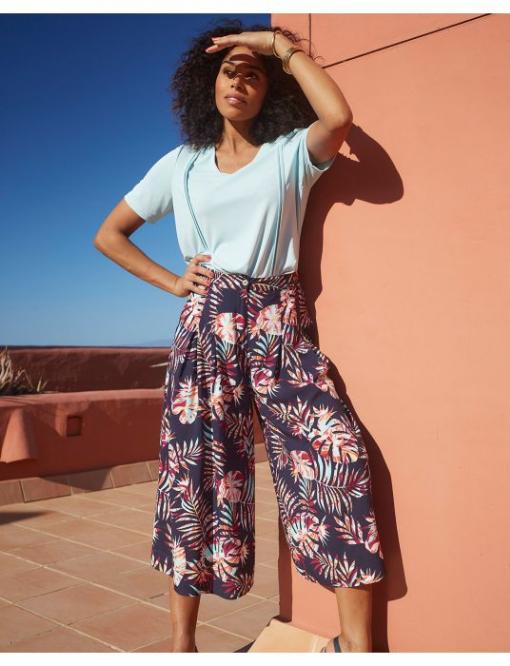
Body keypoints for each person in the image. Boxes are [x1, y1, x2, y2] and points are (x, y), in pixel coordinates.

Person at [93, 19, 386, 654]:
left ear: (268, 91)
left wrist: (278, 47)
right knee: (193, 477)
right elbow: (109, 234)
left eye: (253, 76)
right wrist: (173, 282)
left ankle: (359, 648)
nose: (240, 82)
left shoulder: (290, 155)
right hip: (207, 325)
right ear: (208, 84)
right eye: (230, 71)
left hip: (280, 321)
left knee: (334, 459)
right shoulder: (180, 165)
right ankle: (183, 644)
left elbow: (338, 118)